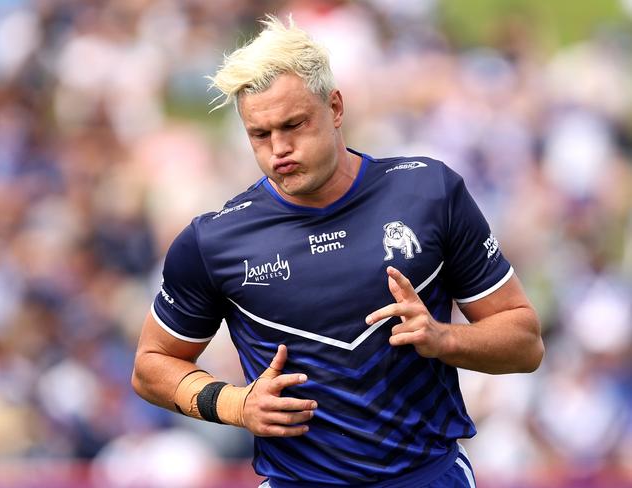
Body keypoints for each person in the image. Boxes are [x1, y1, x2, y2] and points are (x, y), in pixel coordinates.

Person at [132, 15, 544, 488]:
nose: (279, 150)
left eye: (294, 125)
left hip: (428, 477)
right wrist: (234, 404)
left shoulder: (429, 192)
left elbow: (526, 343)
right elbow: (151, 365)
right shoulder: (214, 241)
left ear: (335, 106)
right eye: (260, 135)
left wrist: (443, 339)